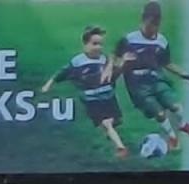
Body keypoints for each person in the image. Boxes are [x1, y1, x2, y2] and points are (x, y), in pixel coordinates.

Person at [115, 2, 189, 151]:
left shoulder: (162, 41)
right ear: (143, 20)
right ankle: (172, 136)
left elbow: (167, 63)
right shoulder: (129, 40)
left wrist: (184, 74)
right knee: (159, 114)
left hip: (157, 80)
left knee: (176, 107)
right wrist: (121, 63)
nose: (153, 29)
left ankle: (183, 125)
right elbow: (116, 59)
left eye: (157, 25)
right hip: (138, 86)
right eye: (151, 24)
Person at [40, 26, 129, 159]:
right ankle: (120, 147)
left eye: (100, 44)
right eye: (94, 44)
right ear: (85, 44)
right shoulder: (77, 62)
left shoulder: (104, 60)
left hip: (108, 97)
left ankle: (110, 132)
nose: (98, 47)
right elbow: (60, 74)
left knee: (113, 122)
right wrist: (48, 85)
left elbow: (113, 75)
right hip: (92, 100)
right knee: (106, 123)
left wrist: (123, 64)